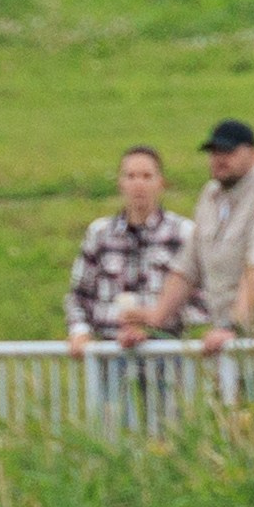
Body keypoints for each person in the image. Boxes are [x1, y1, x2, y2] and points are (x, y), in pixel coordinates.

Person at [118, 119, 254, 354]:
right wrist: (154, 320)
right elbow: (187, 268)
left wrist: (233, 327)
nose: (220, 158)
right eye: (214, 151)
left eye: (229, 151)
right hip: (233, 351)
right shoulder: (211, 196)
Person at [64, 146, 195, 352]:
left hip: (165, 352)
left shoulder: (183, 233)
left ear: (161, 183)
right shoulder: (99, 233)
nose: (138, 184)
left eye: (146, 176)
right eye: (131, 176)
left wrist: (153, 322)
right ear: (121, 183)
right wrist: (79, 331)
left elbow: (200, 298)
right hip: (110, 352)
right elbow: (79, 295)